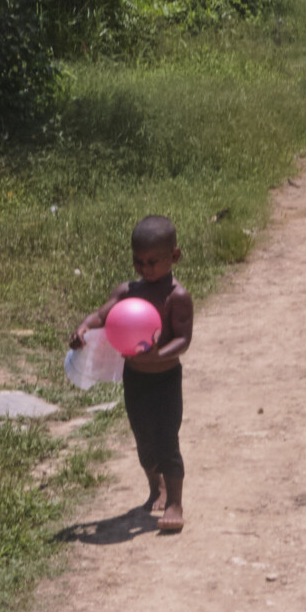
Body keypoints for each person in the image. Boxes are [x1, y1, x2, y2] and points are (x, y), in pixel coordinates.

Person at [71, 214, 195, 531]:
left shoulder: (177, 297)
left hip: (166, 379)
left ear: (175, 257)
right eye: (138, 262)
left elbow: (183, 339)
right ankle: (155, 487)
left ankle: (175, 502)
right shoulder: (128, 292)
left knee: (167, 440)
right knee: (143, 440)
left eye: (153, 261)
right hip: (136, 378)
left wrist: (158, 356)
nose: (145, 268)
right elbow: (102, 315)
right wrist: (84, 327)